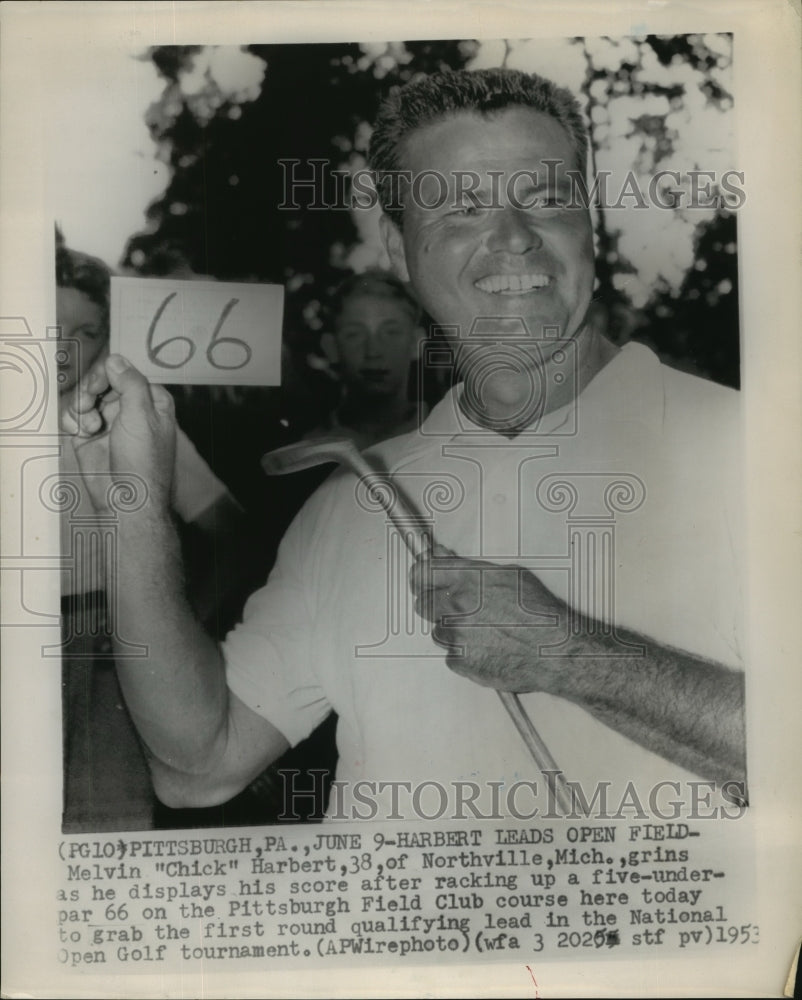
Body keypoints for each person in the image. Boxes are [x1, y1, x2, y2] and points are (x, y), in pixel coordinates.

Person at [62, 68, 746, 822]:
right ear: (398, 248)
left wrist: (570, 655)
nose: (515, 238)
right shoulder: (355, 496)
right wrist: (131, 500)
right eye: (460, 209)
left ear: (593, 226)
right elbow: (198, 763)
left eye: (548, 199)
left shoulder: (748, 450)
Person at [56, 237, 246, 831]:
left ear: (108, 343)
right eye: (46, 326)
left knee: (106, 816)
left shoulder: (127, 419)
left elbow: (235, 532)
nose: (62, 348)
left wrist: (175, 614)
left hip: (105, 644)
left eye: (84, 331)